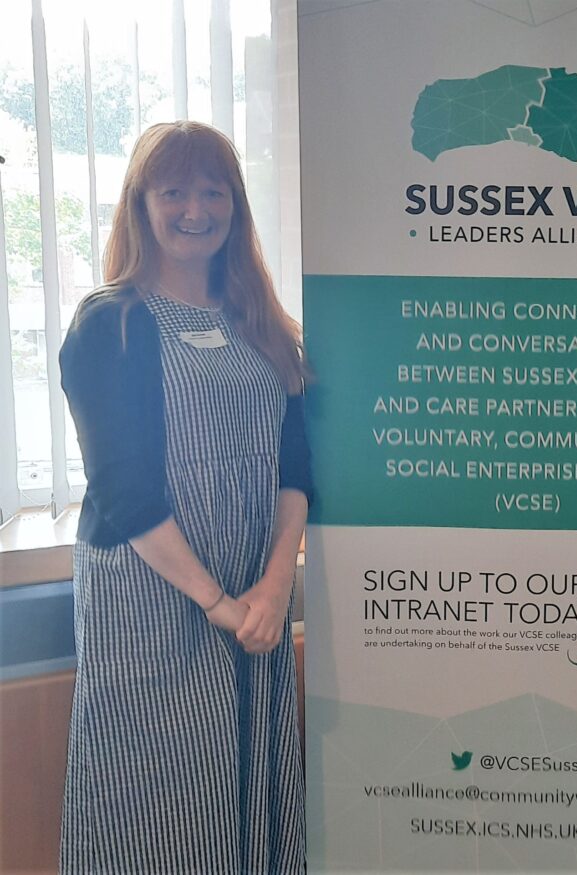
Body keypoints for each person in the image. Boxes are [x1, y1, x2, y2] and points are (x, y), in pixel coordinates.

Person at [59, 120, 311, 873]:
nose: (194, 208)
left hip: (256, 593)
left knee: (245, 777)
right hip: (152, 591)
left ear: (235, 203)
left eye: (212, 190)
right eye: (173, 190)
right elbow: (125, 489)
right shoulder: (114, 323)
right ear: (141, 203)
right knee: (155, 789)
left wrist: (273, 584)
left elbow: (296, 466)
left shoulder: (261, 323)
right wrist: (220, 603)